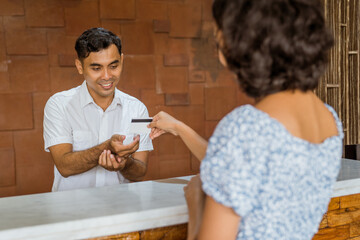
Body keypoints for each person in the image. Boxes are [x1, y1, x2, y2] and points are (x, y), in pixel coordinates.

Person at [148, 0, 343, 239]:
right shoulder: (329, 118)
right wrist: (179, 128)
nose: (219, 51)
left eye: (220, 37)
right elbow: (246, 165)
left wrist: (197, 203)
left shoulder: (247, 127)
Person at [43, 28, 153, 192]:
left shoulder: (139, 109)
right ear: (79, 66)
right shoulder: (57, 105)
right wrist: (107, 147)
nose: (107, 76)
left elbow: (140, 172)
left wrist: (125, 163)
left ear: (122, 61)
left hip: (121, 210)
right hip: (71, 212)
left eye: (113, 66)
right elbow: (64, 166)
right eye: (96, 68)